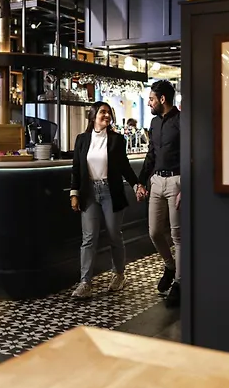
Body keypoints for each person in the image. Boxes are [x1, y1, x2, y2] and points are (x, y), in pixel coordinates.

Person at [70, 101, 139, 299]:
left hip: (111, 191)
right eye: (103, 112)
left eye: (109, 112)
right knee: (88, 238)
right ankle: (85, 282)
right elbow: (76, 168)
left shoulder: (117, 139)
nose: (107, 115)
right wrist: (74, 193)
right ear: (93, 116)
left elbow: (124, 166)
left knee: (114, 234)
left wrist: (136, 184)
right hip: (89, 192)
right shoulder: (82, 139)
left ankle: (119, 275)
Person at [136, 80, 181, 308]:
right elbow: (151, 154)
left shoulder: (182, 121)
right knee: (154, 231)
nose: (149, 103)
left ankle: (180, 283)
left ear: (162, 99)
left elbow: (192, 154)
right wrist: (141, 181)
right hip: (156, 181)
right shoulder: (154, 123)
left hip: (177, 182)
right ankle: (170, 266)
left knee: (177, 236)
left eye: (151, 99)